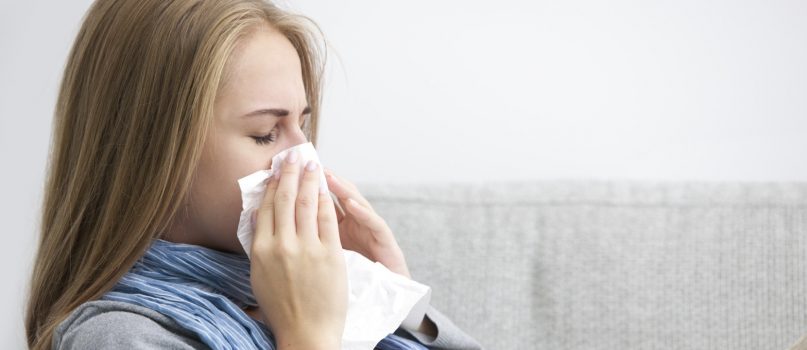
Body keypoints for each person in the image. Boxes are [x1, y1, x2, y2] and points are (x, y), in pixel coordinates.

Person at [23, 0, 484, 349]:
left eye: (301, 126)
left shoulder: (307, 288)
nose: (307, 161)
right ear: (152, 154)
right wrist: (309, 334)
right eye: (266, 133)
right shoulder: (121, 336)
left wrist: (394, 301)